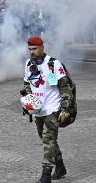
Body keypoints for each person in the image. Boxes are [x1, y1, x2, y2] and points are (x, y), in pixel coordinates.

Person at [23, 36, 72, 182]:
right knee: (46, 139)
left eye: (35, 49)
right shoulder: (28, 64)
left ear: (42, 47)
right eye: (30, 49)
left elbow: (64, 86)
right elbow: (26, 83)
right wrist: (28, 99)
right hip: (38, 110)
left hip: (53, 108)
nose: (32, 52)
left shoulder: (53, 64)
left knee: (48, 140)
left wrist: (65, 108)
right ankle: (60, 165)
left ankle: (46, 175)